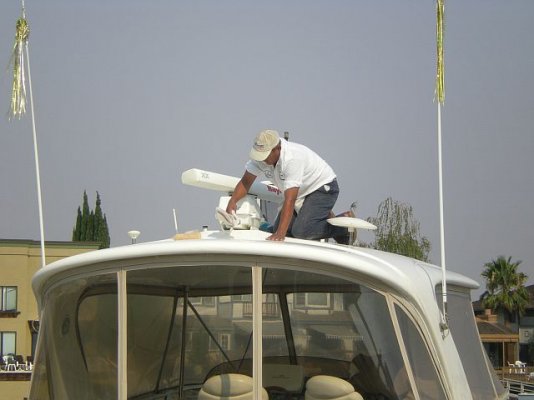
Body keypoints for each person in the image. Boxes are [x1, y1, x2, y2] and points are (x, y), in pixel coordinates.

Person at [226, 129, 351, 243]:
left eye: (265, 155)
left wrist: (280, 234)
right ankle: (320, 215)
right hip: (302, 191)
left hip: (322, 187)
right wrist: (233, 201)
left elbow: (290, 200)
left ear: (277, 149)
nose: (261, 160)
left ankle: (344, 227)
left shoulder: (292, 158)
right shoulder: (261, 159)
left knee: (301, 232)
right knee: (284, 230)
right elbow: (246, 182)